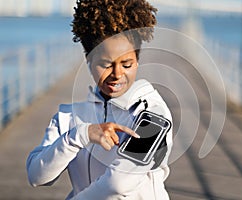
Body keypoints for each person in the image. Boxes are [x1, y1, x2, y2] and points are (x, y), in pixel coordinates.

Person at [26, 0, 173, 199]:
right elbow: (37, 175)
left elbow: (119, 183)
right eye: (106, 64)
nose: (117, 74)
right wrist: (80, 135)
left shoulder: (154, 115)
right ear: (88, 60)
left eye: (127, 64)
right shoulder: (68, 116)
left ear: (137, 61)